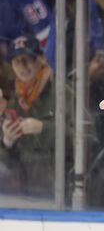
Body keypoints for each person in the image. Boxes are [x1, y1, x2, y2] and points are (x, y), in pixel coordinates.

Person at [0, 34, 80, 199]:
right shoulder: (13, 100)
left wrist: (44, 128)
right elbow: (8, 164)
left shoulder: (63, 92)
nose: (22, 67)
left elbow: (87, 139)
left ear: (41, 59)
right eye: (16, 61)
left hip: (61, 194)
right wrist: (6, 142)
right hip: (23, 193)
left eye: (27, 59)